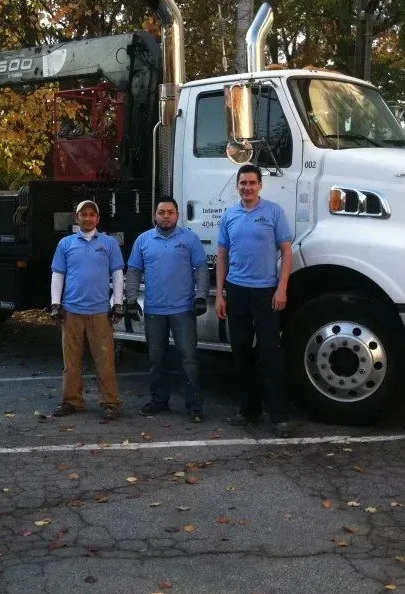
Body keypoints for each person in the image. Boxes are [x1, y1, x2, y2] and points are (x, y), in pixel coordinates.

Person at [215, 164, 294, 438]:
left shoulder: (273, 212)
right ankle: (249, 410)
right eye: (242, 182)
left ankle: (279, 416)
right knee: (241, 353)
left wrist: (282, 288)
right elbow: (222, 256)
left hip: (266, 293)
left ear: (260, 185)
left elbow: (286, 251)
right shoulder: (229, 216)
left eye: (252, 182)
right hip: (237, 292)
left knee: (271, 353)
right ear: (237, 185)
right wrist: (220, 294)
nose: (247, 187)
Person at [124, 197, 209, 423]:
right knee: (156, 359)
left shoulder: (189, 239)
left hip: (183, 309)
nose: (166, 216)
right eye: (161, 212)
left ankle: (194, 405)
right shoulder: (143, 240)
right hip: (154, 311)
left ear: (177, 215)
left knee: (189, 359)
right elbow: (133, 271)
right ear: (155, 215)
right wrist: (131, 300)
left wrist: (201, 297)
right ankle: (159, 400)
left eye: (170, 212)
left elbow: (201, 269)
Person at [49, 200, 125, 419]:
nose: (88, 218)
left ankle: (110, 402)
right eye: (84, 214)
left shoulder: (109, 244)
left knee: (105, 360)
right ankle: (72, 401)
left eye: (92, 214)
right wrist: (55, 304)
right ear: (77, 217)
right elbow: (58, 274)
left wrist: (117, 303)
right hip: (72, 311)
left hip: (100, 311)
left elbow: (117, 273)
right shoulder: (65, 244)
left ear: (98, 219)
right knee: (71, 361)